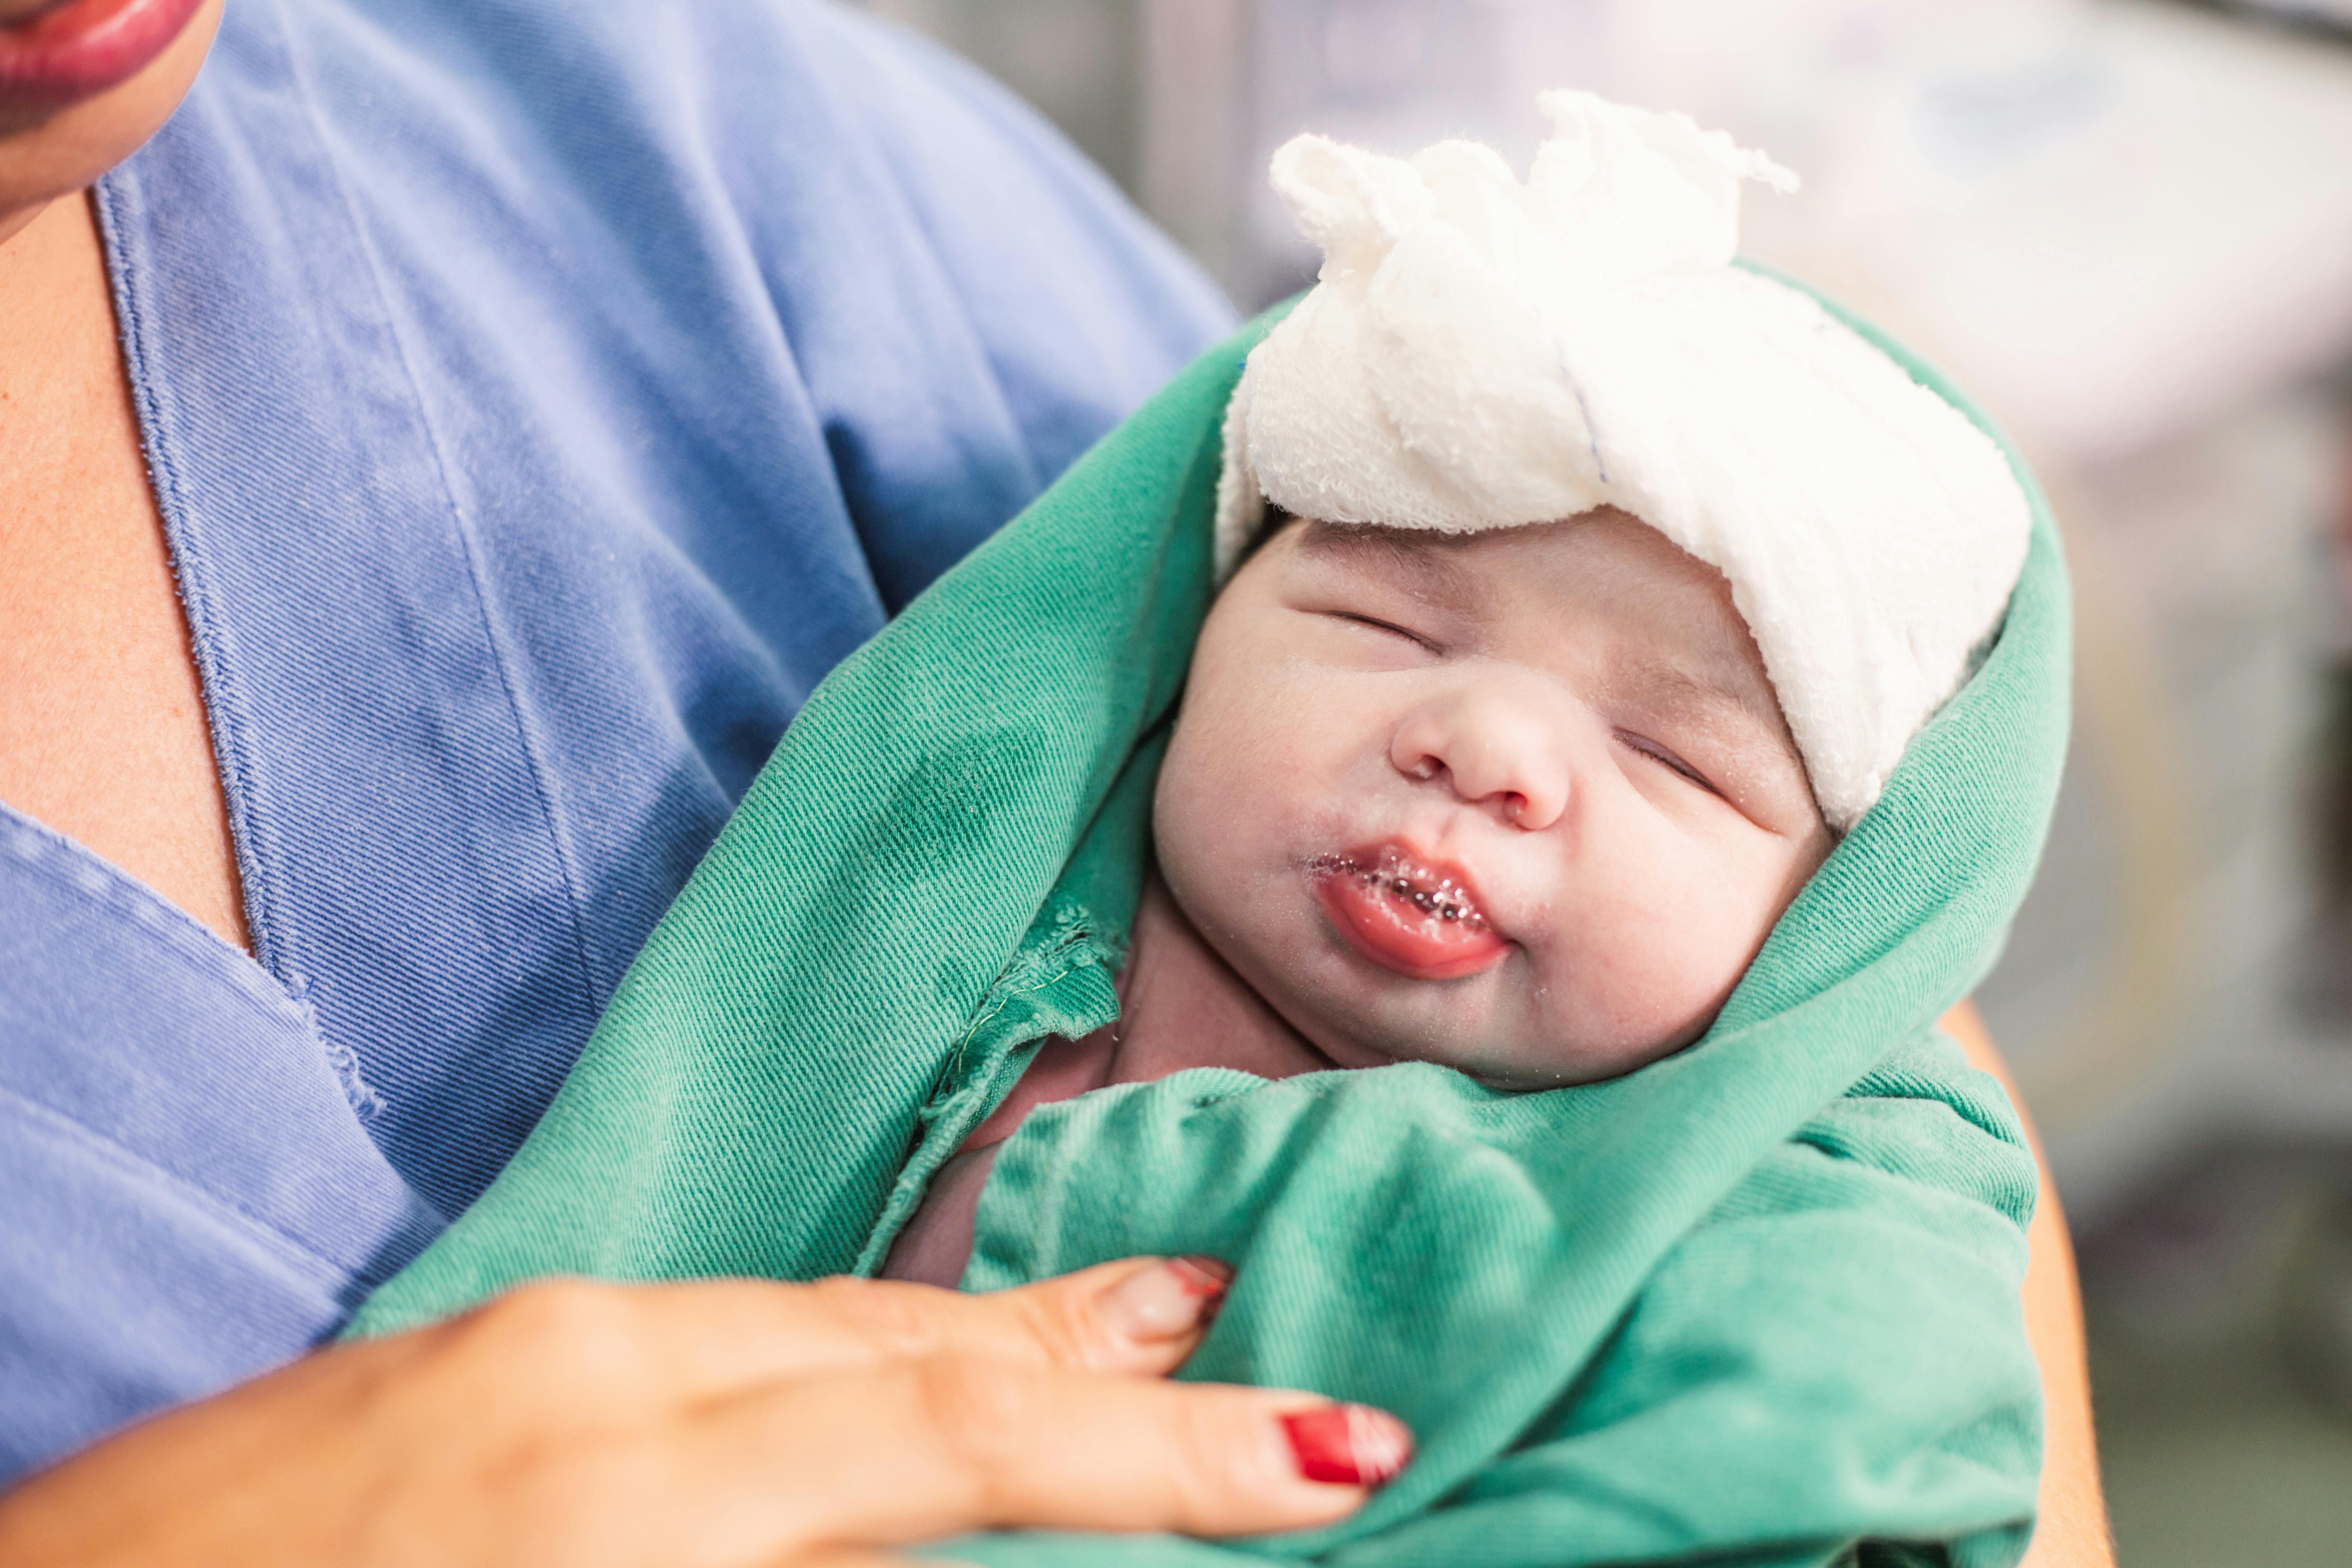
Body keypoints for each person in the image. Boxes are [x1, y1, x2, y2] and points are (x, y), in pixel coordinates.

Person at [0, 3, 2107, 1564]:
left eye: (1669, 752)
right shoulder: (1042, 901)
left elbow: (1887, 1265)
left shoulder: (655, 119)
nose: (1483, 741)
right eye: (1384, 631)